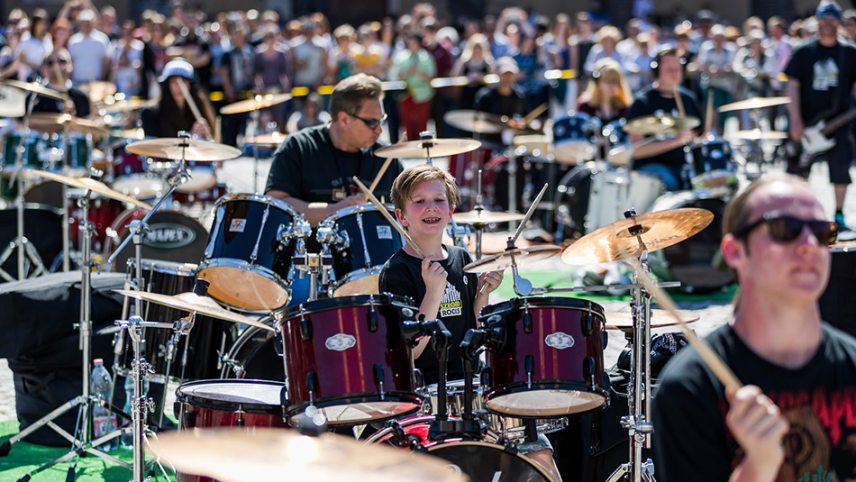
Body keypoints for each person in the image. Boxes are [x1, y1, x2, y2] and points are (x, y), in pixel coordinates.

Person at [652, 173, 855, 481]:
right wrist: (757, 466)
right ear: (734, 251)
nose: (809, 245)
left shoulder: (851, 368)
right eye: (784, 229)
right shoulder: (690, 388)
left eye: (821, 231)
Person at [377, 164, 561, 481]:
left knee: (539, 451)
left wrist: (483, 293)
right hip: (426, 396)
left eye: (438, 200)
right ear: (401, 216)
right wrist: (432, 292)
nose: (431, 208)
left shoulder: (462, 258)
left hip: (470, 387)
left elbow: (472, 327)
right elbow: (412, 352)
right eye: (419, 201)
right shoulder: (396, 272)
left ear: (451, 210)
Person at [265, 73, 403, 226]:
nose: (379, 130)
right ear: (344, 119)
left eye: (381, 121)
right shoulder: (299, 147)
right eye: (372, 122)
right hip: (312, 249)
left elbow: (409, 211)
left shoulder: (387, 157)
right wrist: (335, 211)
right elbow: (275, 204)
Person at [784, 0, 856, 232]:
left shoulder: (849, 52)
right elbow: (792, 85)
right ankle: (801, 213)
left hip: (840, 120)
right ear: (817, 20)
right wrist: (795, 118)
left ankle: (839, 214)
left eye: (832, 18)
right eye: (823, 18)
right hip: (807, 121)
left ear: (838, 22)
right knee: (799, 170)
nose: (827, 23)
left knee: (841, 169)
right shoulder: (804, 51)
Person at [625, 47, 703, 191]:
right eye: (669, 70)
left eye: (678, 69)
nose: (675, 74)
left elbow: (700, 135)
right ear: (657, 72)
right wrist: (675, 141)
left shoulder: (688, 99)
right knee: (670, 183)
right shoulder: (643, 102)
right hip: (652, 169)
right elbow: (636, 150)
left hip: (683, 166)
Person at [140, 58, 216, 139]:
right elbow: (152, 147)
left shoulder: (199, 108)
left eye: (184, 81)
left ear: (191, 86)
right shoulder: (151, 113)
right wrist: (192, 136)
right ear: (166, 85)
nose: (179, 87)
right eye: (173, 81)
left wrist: (205, 135)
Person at [32, 48, 90, 118]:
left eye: (61, 61)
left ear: (71, 64)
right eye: (50, 63)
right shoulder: (36, 95)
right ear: (44, 68)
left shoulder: (80, 96)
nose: (56, 66)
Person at [576, 57, 633, 124]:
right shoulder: (585, 107)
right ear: (597, 82)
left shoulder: (625, 108)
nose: (612, 86)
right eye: (607, 81)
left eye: (615, 81)